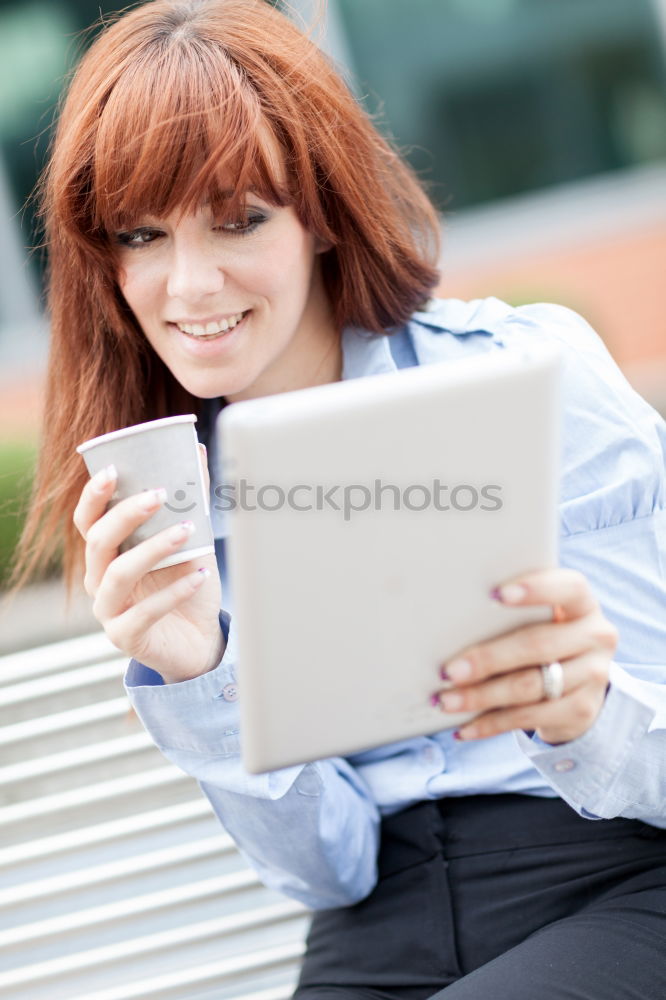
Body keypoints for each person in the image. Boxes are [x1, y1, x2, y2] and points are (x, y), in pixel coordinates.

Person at [11, 1, 666, 997]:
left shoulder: (529, 376)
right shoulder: (174, 496)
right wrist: (206, 675)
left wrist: (588, 715)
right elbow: (328, 870)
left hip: (608, 874)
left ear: (318, 210)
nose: (187, 285)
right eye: (142, 234)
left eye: (238, 219)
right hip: (381, 924)